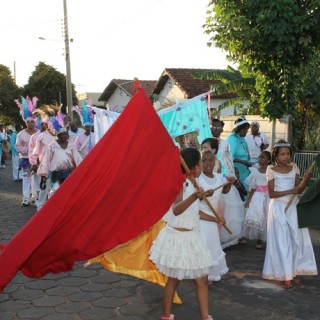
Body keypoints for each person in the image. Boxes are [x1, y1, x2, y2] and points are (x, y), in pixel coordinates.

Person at [149, 147, 214, 320]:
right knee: (174, 279)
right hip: (177, 238)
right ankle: (166, 315)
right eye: (201, 161)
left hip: (192, 237)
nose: (202, 165)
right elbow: (176, 209)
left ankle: (205, 316)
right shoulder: (180, 183)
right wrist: (194, 196)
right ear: (195, 166)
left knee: (202, 279)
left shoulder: (194, 183)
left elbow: (194, 212)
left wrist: (202, 197)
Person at [262, 141, 317, 289]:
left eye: (288, 154)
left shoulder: (294, 168)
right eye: (283, 154)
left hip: (292, 207)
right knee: (281, 241)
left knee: (295, 239)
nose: (286, 157)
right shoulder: (271, 170)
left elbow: (298, 189)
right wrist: (289, 191)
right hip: (278, 207)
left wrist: (305, 179)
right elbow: (272, 193)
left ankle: (293, 269)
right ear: (276, 155)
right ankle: (284, 275)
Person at [198, 150, 230, 283]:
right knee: (202, 246)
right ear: (200, 163)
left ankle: (208, 274)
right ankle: (200, 274)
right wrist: (204, 195)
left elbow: (225, 190)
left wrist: (230, 183)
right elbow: (195, 200)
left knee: (211, 246)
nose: (207, 164)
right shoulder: (197, 179)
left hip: (213, 217)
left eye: (210, 160)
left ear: (215, 162)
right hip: (200, 218)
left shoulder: (219, 178)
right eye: (204, 161)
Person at [38, 113, 82, 198]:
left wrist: (81, 170)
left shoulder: (71, 145)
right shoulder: (51, 146)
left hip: (69, 173)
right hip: (56, 174)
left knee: (69, 193)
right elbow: (46, 161)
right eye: (63, 134)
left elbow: (78, 159)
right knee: (54, 192)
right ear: (58, 135)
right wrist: (43, 175)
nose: (66, 136)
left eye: (66, 134)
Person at [242, 151, 271, 249]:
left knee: (266, 216)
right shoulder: (255, 171)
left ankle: (261, 239)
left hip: (267, 196)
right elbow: (253, 187)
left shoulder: (270, 172)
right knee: (257, 215)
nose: (260, 159)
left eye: (263, 157)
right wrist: (248, 200)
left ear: (268, 160)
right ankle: (258, 237)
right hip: (257, 197)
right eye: (259, 157)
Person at [15, 96, 39, 206]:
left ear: (34, 122)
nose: (30, 123)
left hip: (37, 160)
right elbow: (18, 146)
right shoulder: (21, 134)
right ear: (25, 122)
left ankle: (36, 197)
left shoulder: (39, 133)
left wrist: (37, 153)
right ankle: (25, 198)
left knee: (37, 178)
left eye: (32, 122)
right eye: (28, 122)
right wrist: (29, 150)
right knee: (26, 178)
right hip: (25, 159)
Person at [226, 117, 252, 189]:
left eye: (247, 129)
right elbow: (229, 156)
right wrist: (242, 161)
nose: (246, 131)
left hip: (244, 171)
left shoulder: (242, 138)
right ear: (239, 129)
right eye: (244, 129)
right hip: (237, 171)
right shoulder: (233, 139)